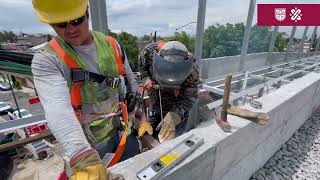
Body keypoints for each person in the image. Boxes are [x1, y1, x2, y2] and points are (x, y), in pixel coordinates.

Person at [31, 0, 139, 179]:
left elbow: (130, 84)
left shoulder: (112, 45)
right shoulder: (47, 60)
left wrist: (137, 115)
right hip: (85, 144)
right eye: (60, 24)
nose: (70, 29)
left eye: (76, 21)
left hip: (119, 133)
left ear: (87, 12)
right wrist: (83, 157)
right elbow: (57, 107)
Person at [138, 40, 200, 143]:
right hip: (156, 101)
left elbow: (189, 97)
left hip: (177, 106)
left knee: (173, 143)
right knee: (151, 138)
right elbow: (142, 66)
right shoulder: (149, 53)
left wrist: (175, 116)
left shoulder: (192, 70)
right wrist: (146, 78)